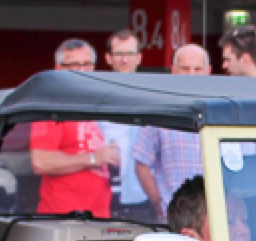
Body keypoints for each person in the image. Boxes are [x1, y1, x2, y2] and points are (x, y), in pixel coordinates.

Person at [29, 39, 117, 217]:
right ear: (58, 68)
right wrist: (92, 158)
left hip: (98, 217)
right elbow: (40, 161)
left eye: (87, 64)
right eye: (74, 65)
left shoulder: (96, 105)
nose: (82, 70)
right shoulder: (51, 106)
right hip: (64, 218)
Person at [133, 43, 209, 218]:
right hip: (171, 214)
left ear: (208, 71)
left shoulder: (220, 110)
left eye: (197, 69)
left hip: (214, 212)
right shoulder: (159, 110)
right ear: (173, 70)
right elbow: (141, 163)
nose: (191, 75)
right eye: (185, 68)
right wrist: (158, 202)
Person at [101, 29, 151, 221]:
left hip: (142, 196)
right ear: (108, 58)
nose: (124, 60)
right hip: (103, 195)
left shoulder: (151, 98)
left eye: (130, 54)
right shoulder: (97, 97)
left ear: (139, 58)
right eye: (119, 54)